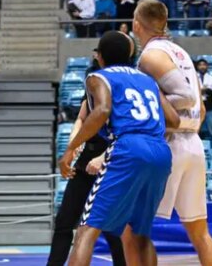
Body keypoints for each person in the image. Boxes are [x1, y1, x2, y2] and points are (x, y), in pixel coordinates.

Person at [57, 31, 177, 266]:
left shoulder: (97, 77)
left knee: (86, 231)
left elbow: (101, 111)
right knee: (140, 234)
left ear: (100, 57)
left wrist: (70, 148)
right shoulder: (147, 80)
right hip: (160, 151)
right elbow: (173, 120)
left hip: (128, 147)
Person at [132, 0, 212, 265]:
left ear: (137, 25)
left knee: (134, 229)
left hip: (169, 143)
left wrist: (151, 109)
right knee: (200, 233)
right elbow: (201, 109)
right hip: (194, 143)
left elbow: (184, 97)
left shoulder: (152, 55)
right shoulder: (180, 53)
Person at [47, 94, 127, 266]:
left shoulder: (121, 94)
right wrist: (73, 145)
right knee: (64, 221)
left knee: (113, 227)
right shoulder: (92, 85)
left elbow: (125, 135)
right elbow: (81, 118)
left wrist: (103, 157)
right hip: (85, 162)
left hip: (112, 162)